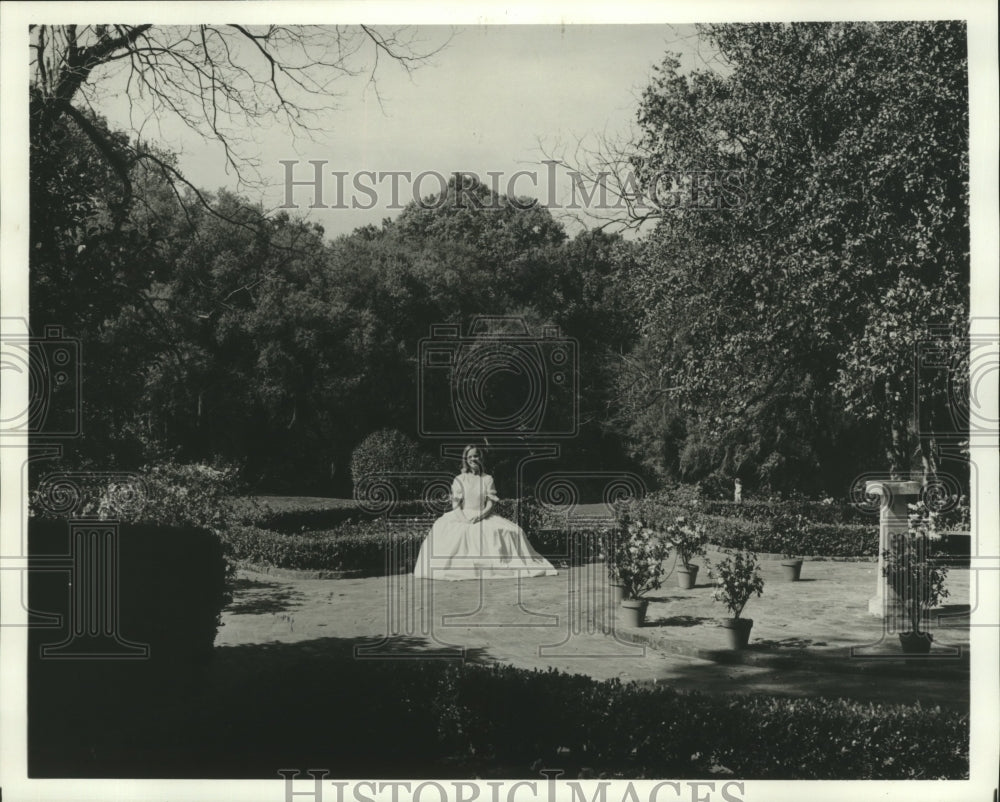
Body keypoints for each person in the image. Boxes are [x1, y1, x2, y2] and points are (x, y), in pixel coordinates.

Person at [412, 445, 558, 580]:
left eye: (475, 456)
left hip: (483, 514)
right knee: (458, 533)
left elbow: (490, 503)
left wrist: (480, 516)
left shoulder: (487, 479)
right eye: (469, 457)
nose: (473, 459)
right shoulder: (460, 479)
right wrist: (464, 519)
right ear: (465, 460)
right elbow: (456, 504)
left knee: (512, 531)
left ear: (480, 458)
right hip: (461, 514)